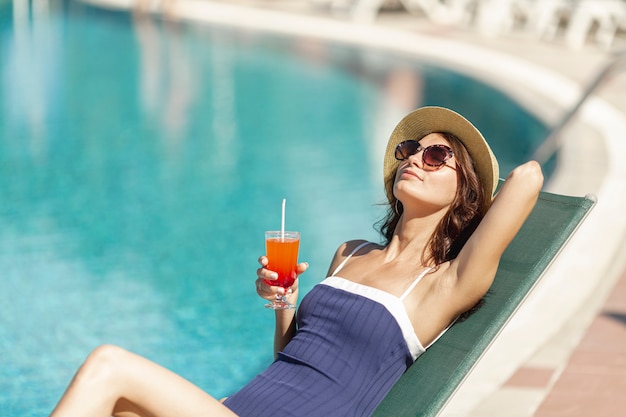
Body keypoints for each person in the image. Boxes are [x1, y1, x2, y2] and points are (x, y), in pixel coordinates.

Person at [50, 106, 543, 417]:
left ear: (464, 191)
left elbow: (529, 176)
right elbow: (292, 357)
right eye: (411, 149)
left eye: (436, 157)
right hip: (236, 410)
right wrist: (283, 303)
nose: (414, 159)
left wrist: (478, 188)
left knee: (107, 366)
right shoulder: (350, 254)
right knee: (119, 410)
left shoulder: (443, 285)